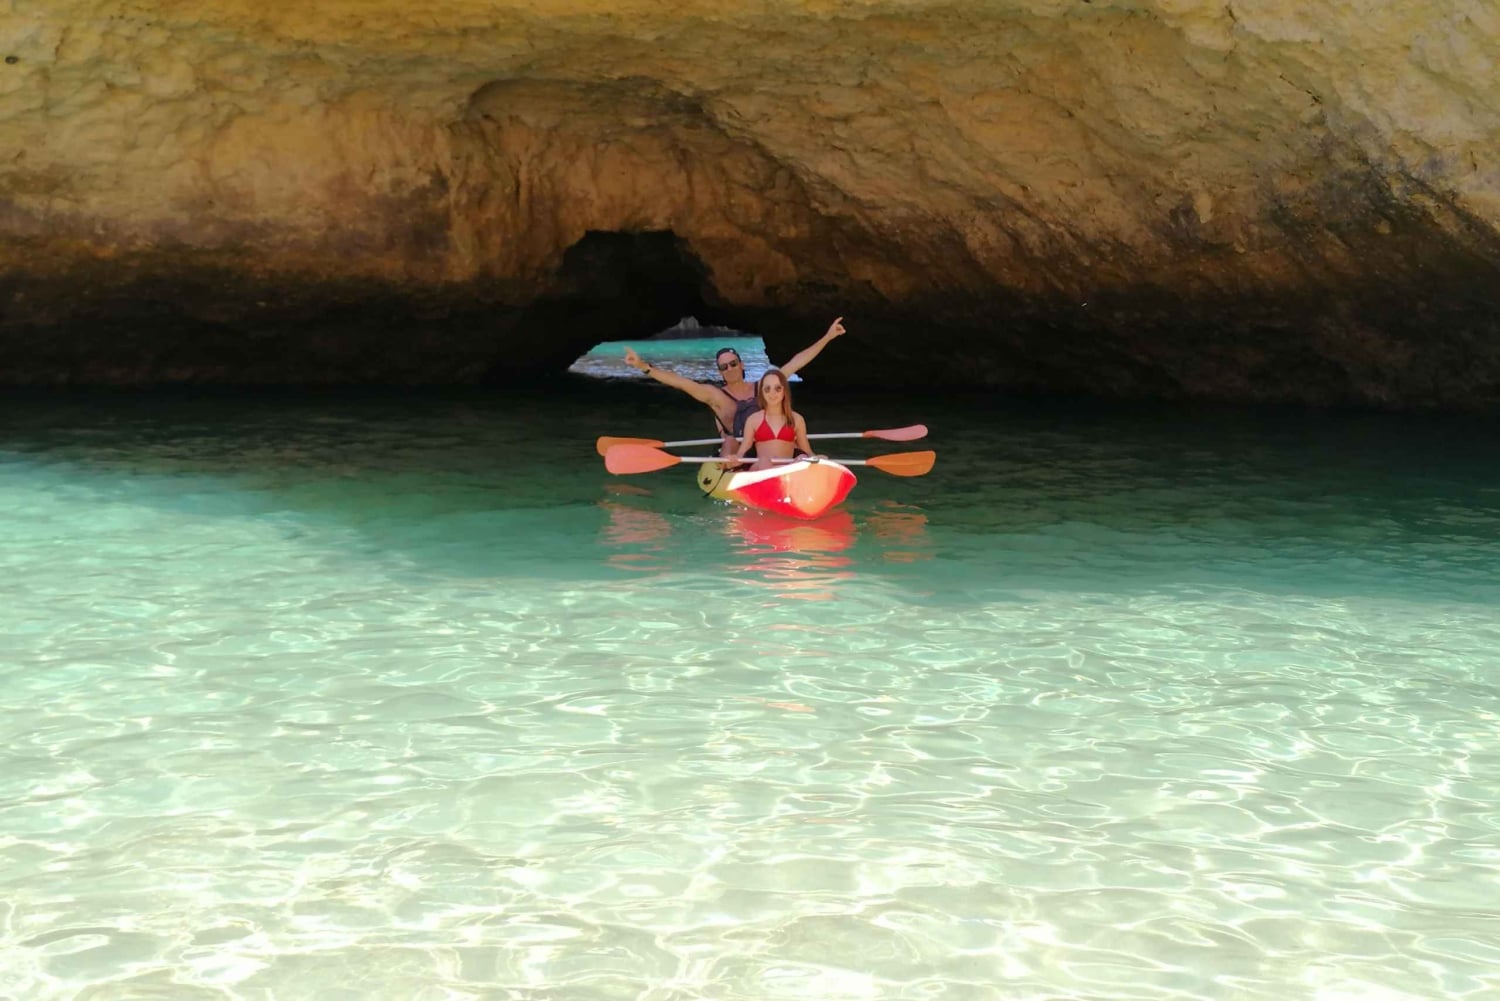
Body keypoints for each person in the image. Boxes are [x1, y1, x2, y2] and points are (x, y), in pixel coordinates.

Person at [622, 317, 847, 455]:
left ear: (741, 364)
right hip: (737, 449)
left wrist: (827, 337)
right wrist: (644, 366)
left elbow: (796, 362)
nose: (729, 369)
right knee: (729, 440)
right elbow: (681, 382)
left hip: (768, 446)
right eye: (723, 367)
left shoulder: (765, 387)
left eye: (732, 363)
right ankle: (727, 466)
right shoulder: (714, 396)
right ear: (719, 372)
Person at [726, 369, 817, 470]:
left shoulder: (797, 419)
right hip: (760, 470)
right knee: (764, 460)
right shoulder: (753, 420)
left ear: (784, 390)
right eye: (767, 389)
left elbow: (807, 451)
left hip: (785, 470)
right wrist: (735, 459)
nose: (772, 393)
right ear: (762, 392)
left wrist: (819, 459)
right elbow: (742, 453)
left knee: (802, 458)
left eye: (777, 388)